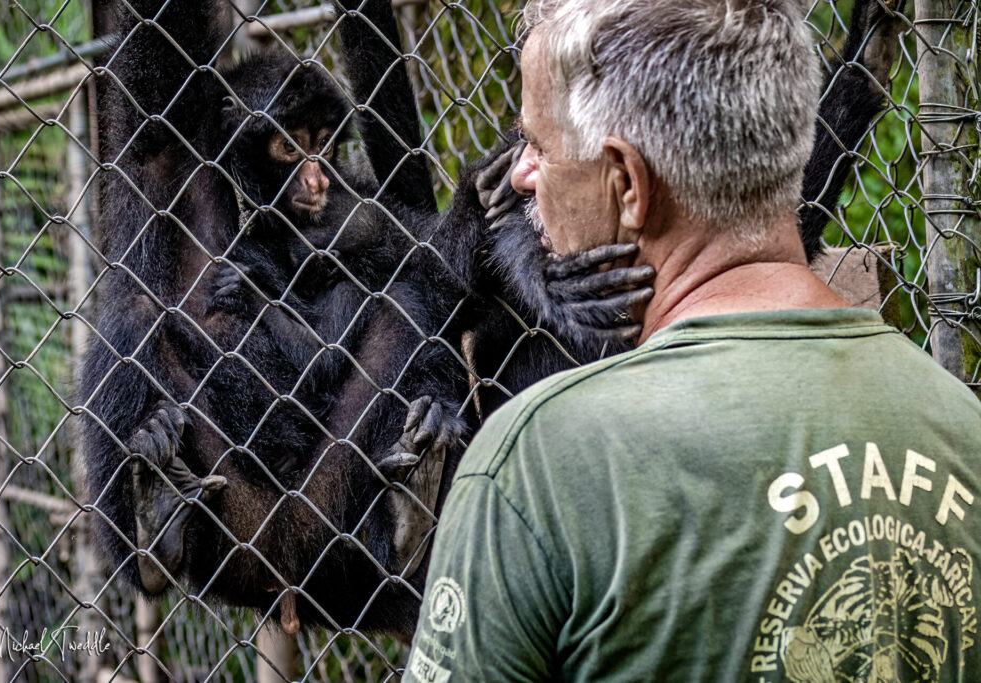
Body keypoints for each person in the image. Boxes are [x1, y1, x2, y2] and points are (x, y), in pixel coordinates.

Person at [406, 0, 981, 680]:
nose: (523, 174)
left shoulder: (536, 469)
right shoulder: (961, 425)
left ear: (626, 184)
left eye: (538, 146)